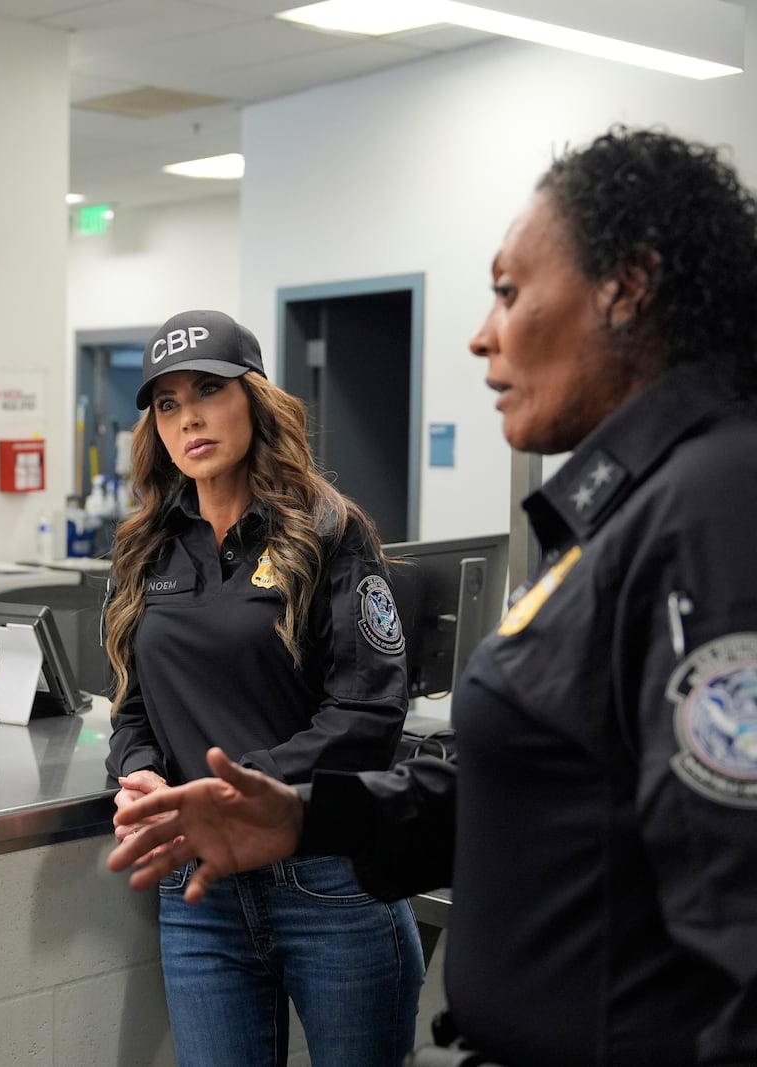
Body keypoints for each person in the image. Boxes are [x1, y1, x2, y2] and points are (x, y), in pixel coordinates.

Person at [107, 126, 757, 1067]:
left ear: (627, 287)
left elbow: (735, 898)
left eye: (507, 290)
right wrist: (300, 813)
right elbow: (534, 781)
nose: (481, 333)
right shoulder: (628, 508)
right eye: (166, 402)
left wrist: (302, 813)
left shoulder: (715, 503)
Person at [104, 308, 424, 1067]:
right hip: (200, 892)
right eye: (168, 403)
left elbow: (369, 712)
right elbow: (132, 705)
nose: (189, 418)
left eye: (207, 390)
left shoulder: (326, 532)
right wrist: (137, 768)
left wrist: (240, 790)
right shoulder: (144, 548)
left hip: (327, 878)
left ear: (253, 397)